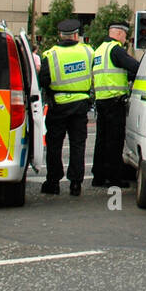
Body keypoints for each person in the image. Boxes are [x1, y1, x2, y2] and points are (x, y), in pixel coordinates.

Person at [39, 19, 95, 196]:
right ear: (77, 35)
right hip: (80, 105)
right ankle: (76, 184)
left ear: (60, 35)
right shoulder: (88, 51)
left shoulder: (50, 54)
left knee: (54, 145)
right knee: (77, 144)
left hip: (58, 106)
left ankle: (53, 182)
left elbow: (43, 81)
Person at [91, 21, 139, 189]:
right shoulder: (116, 49)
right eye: (125, 35)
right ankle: (114, 178)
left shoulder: (99, 50)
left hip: (101, 100)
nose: (126, 39)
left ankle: (98, 176)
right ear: (119, 33)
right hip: (114, 101)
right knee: (114, 141)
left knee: (101, 140)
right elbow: (135, 66)